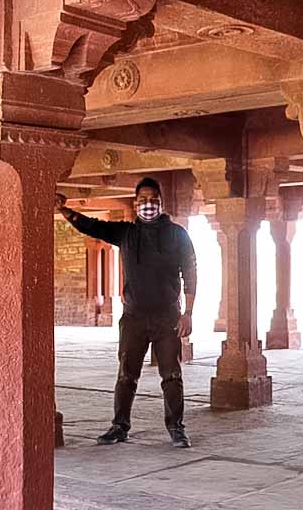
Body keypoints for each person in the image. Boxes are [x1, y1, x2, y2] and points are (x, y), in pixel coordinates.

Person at [55, 177, 196, 448]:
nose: (148, 205)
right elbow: (93, 227)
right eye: (142, 200)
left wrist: (188, 313)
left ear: (161, 202)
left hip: (167, 317)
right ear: (135, 204)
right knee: (126, 375)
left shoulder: (177, 235)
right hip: (133, 317)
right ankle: (119, 426)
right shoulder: (126, 233)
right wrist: (65, 210)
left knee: (171, 376)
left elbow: (190, 271)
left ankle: (176, 429)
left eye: (153, 199)